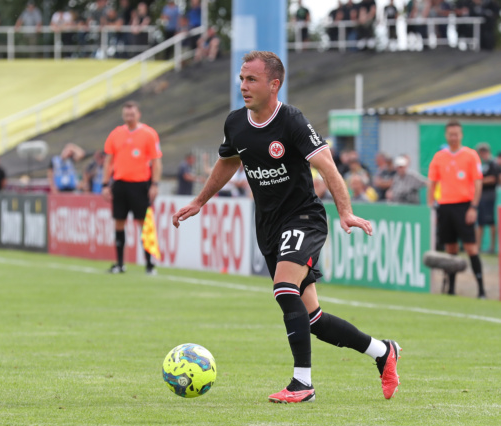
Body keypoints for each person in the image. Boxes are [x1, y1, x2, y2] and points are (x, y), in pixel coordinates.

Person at [172, 51, 400, 404]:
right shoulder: (235, 123)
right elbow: (227, 163)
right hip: (268, 226)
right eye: (242, 79)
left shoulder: (292, 121)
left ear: (274, 84)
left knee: (283, 288)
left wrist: (346, 212)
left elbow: (328, 168)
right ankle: (382, 351)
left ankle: (302, 383)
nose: (244, 86)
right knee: (314, 319)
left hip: (303, 218)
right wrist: (200, 201)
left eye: (252, 80)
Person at [102, 101, 162, 275]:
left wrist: (155, 184)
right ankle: (120, 264)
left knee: (144, 225)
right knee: (119, 222)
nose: (129, 117)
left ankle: (150, 265)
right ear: (123, 116)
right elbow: (108, 162)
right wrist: (105, 184)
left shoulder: (149, 134)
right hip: (120, 184)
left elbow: (156, 162)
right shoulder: (115, 134)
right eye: (126, 114)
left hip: (140, 184)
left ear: (138, 114)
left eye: (132, 114)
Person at [427, 120, 485, 298]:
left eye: (456, 134)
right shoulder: (439, 157)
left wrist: (473, 207)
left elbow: (478, 182)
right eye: (450, 134)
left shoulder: (470, 155)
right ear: (446, 135)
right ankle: (451, 289)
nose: (453, 137)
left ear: (461, 135)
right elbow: (432, 182)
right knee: (450, 248)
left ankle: (481, 289)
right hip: (445, 206)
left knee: (470, 248)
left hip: (464, 206)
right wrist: (432, 205)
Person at [475, 142, 499, 254]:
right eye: (481, 151)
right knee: (480, 221)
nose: (482, 153)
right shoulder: (480, 164)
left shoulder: (493, 163)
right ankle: (478, 246)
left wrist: (480, 181)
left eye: (484, 151)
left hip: (489, 195)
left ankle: (492, 247)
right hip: (481, 194)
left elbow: (494, 178)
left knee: (490, 221)